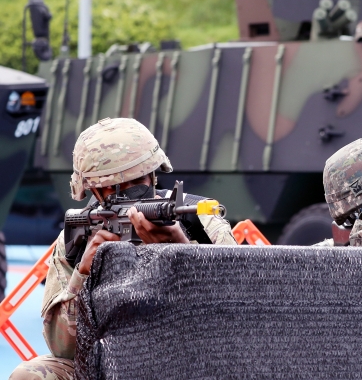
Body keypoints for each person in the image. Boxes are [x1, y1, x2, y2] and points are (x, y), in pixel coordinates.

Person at [9, 118, 237, 380]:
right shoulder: (79, 235)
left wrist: (180, 255)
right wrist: (83, 271)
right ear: (92, 190)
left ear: (153, 174)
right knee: (31, 374)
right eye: (113, 188)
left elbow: (233, 324)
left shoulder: (198, 220)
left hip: (186, 364)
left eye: (137, 182)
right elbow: (63, 347)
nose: (131, 199)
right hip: (110, 363)